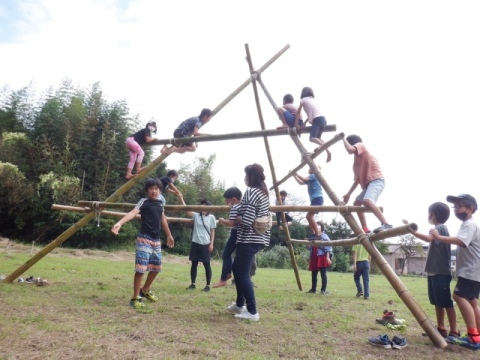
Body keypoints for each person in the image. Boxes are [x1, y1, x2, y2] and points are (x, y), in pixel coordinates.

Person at [111, 178, 174, 309]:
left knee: (156, 268)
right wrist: (119, 223)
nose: (154, 191)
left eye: (156, 189)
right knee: (141, 269)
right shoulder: (143, 202)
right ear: (147, 191)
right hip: (144, 238)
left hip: (156, 240)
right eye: (151, 188)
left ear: (160, 191)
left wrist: (169, 235)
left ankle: (144, 290)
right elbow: (133, 213)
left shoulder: (161, 203)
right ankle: (135, 298)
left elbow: (163, 219)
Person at [430, 194, 480, 349]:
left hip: (471, 269)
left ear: (470, 208)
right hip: (473, 270)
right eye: (455, 207)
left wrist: (439, 236)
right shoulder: (468, 225)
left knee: (458, 296)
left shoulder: (469, 225)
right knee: (472, 301)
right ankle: (477, 334)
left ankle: (473, 337)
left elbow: (461, 241)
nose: (456, 210)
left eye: (459, 206)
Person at [403, 202, 458, 337]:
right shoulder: (438, 228)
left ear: (432, 215)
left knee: (446, 302)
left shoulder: (439, 228)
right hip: (434, 272)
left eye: (428, 213)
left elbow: (428, 238)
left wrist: (411, 229)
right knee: (437, 302)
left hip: (441, 273)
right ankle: (441, 328)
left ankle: (454, 331)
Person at [227, 164, 270, 321]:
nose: (244, 178)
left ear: (250, 177)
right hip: (258, 237)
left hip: (250, 238)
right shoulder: (263, 192)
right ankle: (240, 304)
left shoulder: (251, 192)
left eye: (246, 175)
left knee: (243, 273)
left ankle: (252, 311)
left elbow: (247, 219)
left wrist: (237, 218)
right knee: (237, 269)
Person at [341, 134, 392, 234]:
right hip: (369, 184)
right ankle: (365, 229)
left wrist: (342, 138)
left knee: (367, 201)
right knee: (357, 204)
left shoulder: (361, 146)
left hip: (376, 180)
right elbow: (357, 180)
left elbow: (350, 149)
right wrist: (348, 194)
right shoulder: (356, 163)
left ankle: (385, 224)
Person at [181, 197, 216, 292]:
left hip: (206, 243)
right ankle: (193, 284)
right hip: (195, 242)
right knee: (194, 264)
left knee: (207, 265)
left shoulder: (211, 217)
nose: (203, 208)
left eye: (205, 207)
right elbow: (186, 210)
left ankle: (208, 285)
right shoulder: (196, 216)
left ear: (209, 208)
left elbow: (212, 231)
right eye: (202, 206)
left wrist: (211, 243)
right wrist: (181, 198)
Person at [212, 187, 242, 288]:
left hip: (236, 233)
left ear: (233, 199)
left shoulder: (235, 207)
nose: (225, 202)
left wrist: (221, 220)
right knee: (232, 256)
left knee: (226, 254)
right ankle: (227, 274)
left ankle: (223, 278)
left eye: (227, 200)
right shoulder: (243, 206)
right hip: (242, 234)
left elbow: (231, 223)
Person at [293, 87, 332, 162]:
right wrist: (304, 123)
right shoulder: (313, 100)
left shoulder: (303, 100)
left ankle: (328, 151)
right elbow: (312, 113)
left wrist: (295, 125)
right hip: (322, 119)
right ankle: (325, 149)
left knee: (312, 138)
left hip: (317, 120)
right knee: (318, 138)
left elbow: (298, 113)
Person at [292, 164, 324, 239]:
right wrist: (294, 176)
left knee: (309, 216)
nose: (309, 168)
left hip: (317, 198)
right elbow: (300, 183)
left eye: (311, 167)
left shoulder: (314, 175)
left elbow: (303, 179)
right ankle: (313, 233)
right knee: (308, 216)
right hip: (315, 199)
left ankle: (317, 235)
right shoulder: (311, 179)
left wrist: (296, 173)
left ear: (314, 170)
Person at [306, 222, 332, 295]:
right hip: (314, 256)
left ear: (321, 228)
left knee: (323, 274)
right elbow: (309, 247)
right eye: (315, 225)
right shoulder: (312, 236)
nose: (316, 227)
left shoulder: (325, 236)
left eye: (318, 226)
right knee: (314, 274)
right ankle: (313, 289)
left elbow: (328, 248)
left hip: (322, 256)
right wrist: (307, 243)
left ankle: (323, 290)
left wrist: (327, 258)